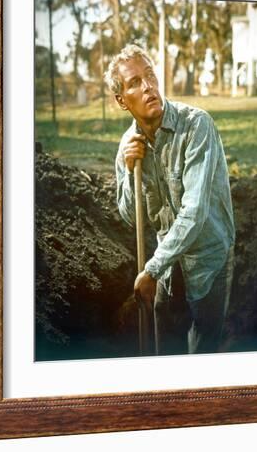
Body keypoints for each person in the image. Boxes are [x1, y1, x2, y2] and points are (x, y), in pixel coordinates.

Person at [105, 43, 235, 355]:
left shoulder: (196, 126)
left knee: (201, 355)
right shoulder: (128, 144)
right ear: (122, 100)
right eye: (135, 82)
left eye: (150, 75)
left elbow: (194, 212)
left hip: (208, 260)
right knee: (166, 352)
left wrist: (151, 271)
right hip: (167, 264)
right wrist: (127, 168)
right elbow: (129, 215)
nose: (148, 86)